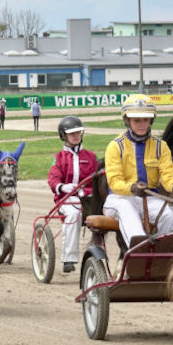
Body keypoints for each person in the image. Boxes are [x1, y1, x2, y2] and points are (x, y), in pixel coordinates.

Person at [102, 94, 173, 250]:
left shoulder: (160, 146)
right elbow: (114, 181)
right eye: (136, 120)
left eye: (145, 120)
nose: (142, 124)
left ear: (151, 120)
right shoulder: (115, 146)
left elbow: (168, 174)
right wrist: (132, 188)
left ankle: (158, 256)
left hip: (149, 199)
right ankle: (139, 253)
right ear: (127, 120)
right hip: (119, 198)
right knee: (127, 208)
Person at [48, 116, 98, 273]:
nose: (76, 135)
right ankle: (69, 258)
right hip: (67, 199)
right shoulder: (59, 158)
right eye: (72, 133)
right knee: (74, 214)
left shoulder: (91, 157)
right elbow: (53, 179)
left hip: (88, 197)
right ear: (64, 135)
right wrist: (62, 187)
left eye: (78, 132)